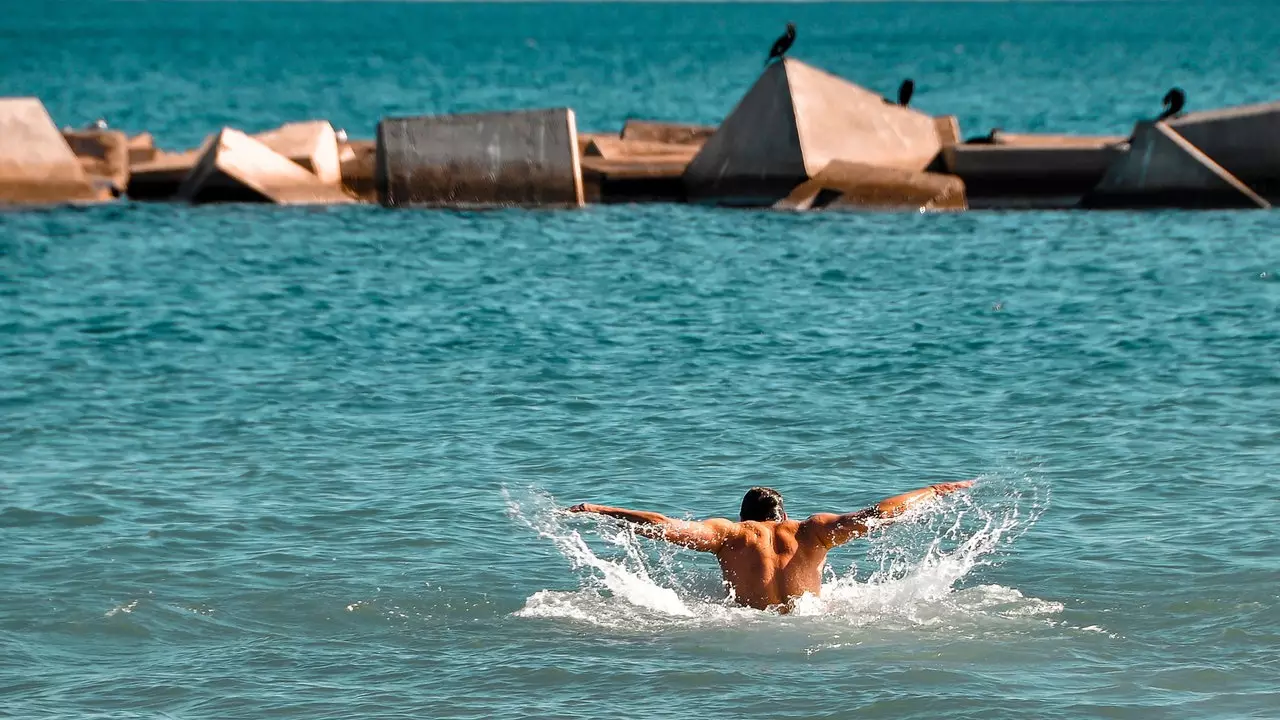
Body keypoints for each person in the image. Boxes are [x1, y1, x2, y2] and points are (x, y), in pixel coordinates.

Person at [566, 480, 974, 611]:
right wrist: (936, 491)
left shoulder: (731, 534)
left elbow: (664, 527)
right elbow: (878, 513)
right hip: (812, 624)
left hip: (747, 625)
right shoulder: (813, 531)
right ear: (782, 516)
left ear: (746, 516)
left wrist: (601, 509)